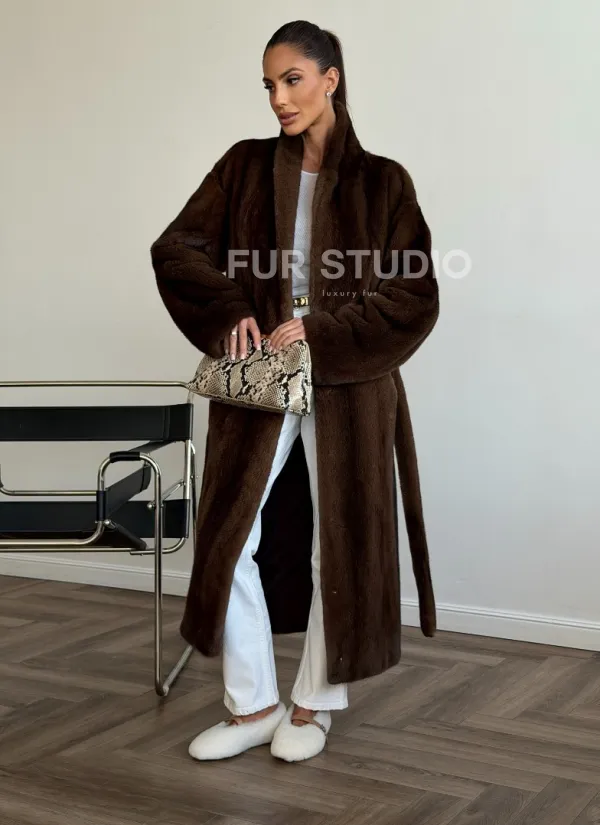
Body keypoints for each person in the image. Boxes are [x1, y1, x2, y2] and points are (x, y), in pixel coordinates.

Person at [150, 20, 440, 763]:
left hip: (349, 384)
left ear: (330, 79)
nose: (279, 98)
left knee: (338, 542)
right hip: (261, 378)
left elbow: (414, 295)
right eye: (269, 85)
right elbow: (175, 249)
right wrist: (231, 311)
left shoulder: (384, 182)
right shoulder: (244, 166)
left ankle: (313, 704)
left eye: (292, 80)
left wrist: (322, 330)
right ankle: (252, 704)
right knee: (230, 533)